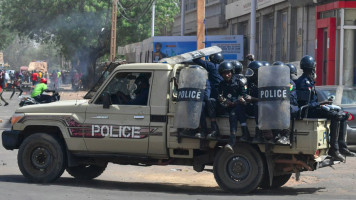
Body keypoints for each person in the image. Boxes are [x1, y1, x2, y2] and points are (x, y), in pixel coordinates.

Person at [295, 55, 355, 162]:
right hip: (307, 112)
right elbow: (305, 105)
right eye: (314, 67)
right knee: (336, 116)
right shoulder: (303, 82)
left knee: (343, 114)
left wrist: (323, 104)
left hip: (312, 109)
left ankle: (342, 147)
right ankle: (334, 149)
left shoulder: (309, 80)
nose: (315, 69)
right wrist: (321, 104)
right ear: (311, 68)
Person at [217, 61, 248, 152]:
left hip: (238, 106)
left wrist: (235, 102)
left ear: (232, 72)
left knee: (234, 113)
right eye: (224, 73)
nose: (226, 75)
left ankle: (232, 140)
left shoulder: (239, 82)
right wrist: (224, 100)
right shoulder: (221, 84)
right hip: (227, 106)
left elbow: (244, 95)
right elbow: (220, 96)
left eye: (228, 73)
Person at [193, 53, 224, 139]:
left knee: (201, 105)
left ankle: (203, 130)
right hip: (223, 103)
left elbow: (195, 59)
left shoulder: (212, 66)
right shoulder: (224, 67)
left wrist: (201, 53)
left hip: (216, 102)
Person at [245, 61, 266, 143]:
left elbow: (266, 99)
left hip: (263, 110)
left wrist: (253, 99)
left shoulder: (265, 84)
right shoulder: (249, 82)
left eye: (252, 72)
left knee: (258, 105)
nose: (249, 74)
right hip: (251, 107)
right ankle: (244, 131)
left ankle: (258, 133)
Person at [230, 60, 251, 142]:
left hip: (240, 102)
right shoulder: (245, 77)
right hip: (245, 101)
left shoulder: (235, 79)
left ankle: (245, 132)